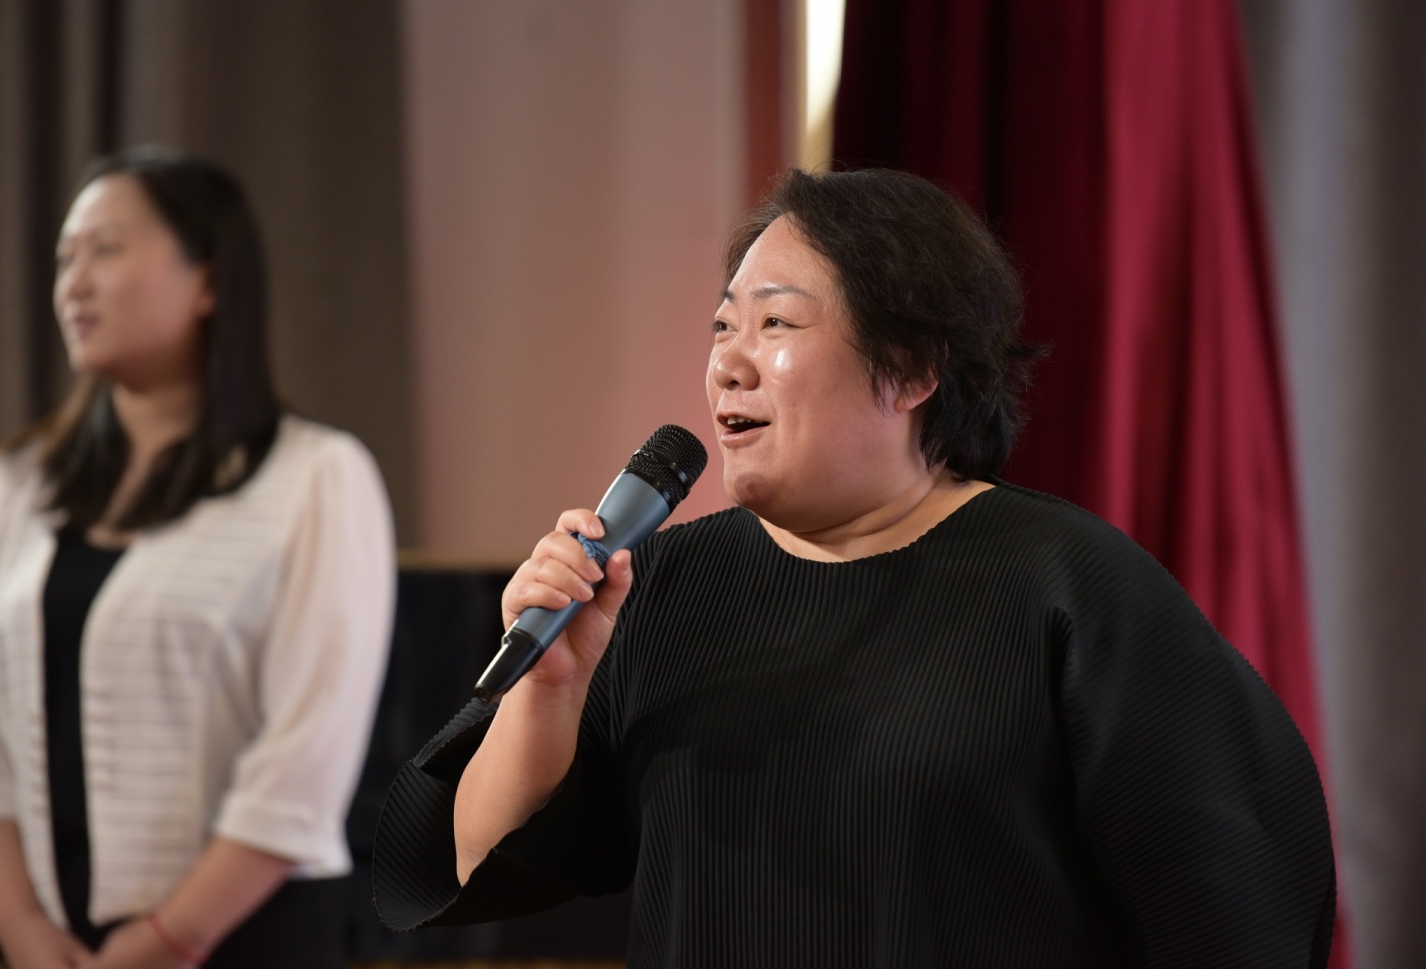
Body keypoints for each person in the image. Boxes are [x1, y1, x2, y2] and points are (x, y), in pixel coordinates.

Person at [372, 168, 1334, 967]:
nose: (729, 363)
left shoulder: (1068, 587)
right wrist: (550, 687)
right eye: (723, 327)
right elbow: (460, 866)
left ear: (912, 368)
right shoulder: (655, 584)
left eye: (776, 326)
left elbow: (1234, 902)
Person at [0, 147, 396, 969]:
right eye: (65, 258)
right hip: (51, 939)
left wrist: (169, 937)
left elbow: (305, 755)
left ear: (209, 280)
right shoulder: (14, 483)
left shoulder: (317, 476)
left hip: (251, 936)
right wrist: (22, 928)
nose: (74, 283)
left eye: (106, 250)